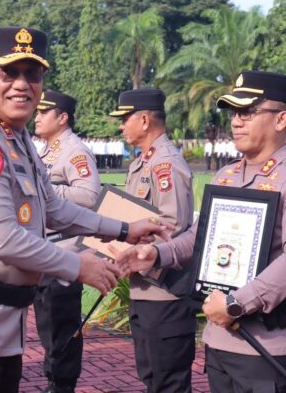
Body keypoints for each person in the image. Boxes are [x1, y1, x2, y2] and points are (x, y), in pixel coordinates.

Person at [0, 26, 170, 393]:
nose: (21, 84)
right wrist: (78, 266)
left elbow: (52, 207)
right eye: (8, 72)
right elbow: (2, 239)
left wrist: (124, 229)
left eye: (32, 74)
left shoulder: (15, 137)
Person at [116, 71, 286, 392]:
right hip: (220, 340)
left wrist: (236, 303)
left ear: (281, 119)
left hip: (267, 346)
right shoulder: (226, 176)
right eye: (233, 113)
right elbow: (199, 237)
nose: (236, 122)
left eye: (248, 112)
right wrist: (157, 253)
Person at [109, 88, 196, 393]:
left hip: (165, 292)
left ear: (144, 120)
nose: (122, 125)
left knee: (168, 382)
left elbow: (174, 228)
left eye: (126, 118)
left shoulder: (166, 165)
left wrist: (134, 249)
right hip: (144, 289)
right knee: (151, 376)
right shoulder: (142, 163)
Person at [33, 89, 100, 393]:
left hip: (64, 251)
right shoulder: (46, 150)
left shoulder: (74, 151)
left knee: (61, 326)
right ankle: (54, 381)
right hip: (44, 251)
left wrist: (49, 193)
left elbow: (88, 195)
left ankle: (62, 385)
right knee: (47, 326)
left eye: (43, 112)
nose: (36, 117)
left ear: (62, 118)